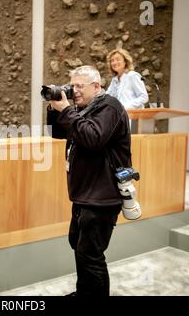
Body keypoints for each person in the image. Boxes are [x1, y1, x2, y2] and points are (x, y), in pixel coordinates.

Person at [47, 65, 132, 296]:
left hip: (102, 196)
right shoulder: (83, 109)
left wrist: (66, 110)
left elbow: (93, 138)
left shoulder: (110, 107)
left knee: (91, 256)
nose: (74, 91)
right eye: (71, 85)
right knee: (79, 246)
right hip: (86, 194)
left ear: (96, 86)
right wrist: (56, 109)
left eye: (79, 86)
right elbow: (56, 132)